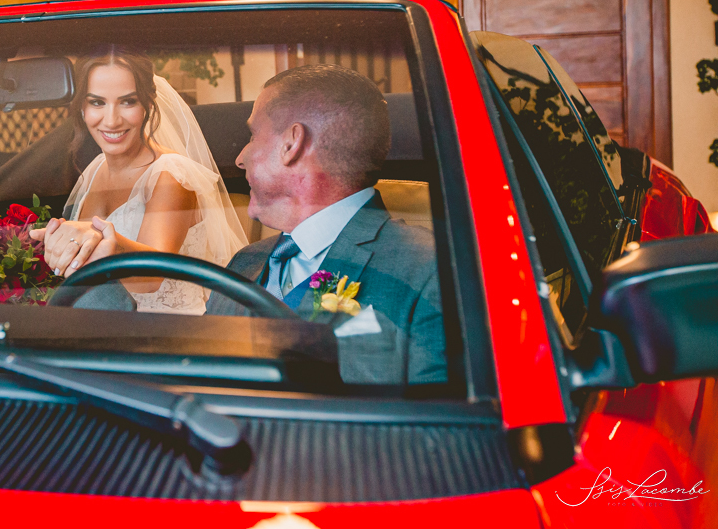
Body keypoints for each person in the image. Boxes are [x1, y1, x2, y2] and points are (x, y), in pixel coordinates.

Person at [206, 64, 447, 385]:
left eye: (253, 135)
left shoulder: (429, 270)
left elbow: (441, 412)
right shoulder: (244, 262)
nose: (240, 158)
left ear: (292, 144)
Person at [31, 48, 247, 314]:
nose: (112, 120)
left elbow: (151, 277)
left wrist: (103, 241)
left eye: (128, 102)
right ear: (82, 108)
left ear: (148, 105)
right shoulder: (95, 168)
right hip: (102, 325)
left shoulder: (171, 175)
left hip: (169, 330)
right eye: (97, 102)